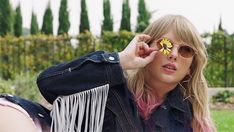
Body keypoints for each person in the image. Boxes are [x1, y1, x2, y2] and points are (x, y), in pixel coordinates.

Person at [37, 14, 216, 132]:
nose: (174, 55)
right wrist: (121, 60)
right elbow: (48, 84)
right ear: (145, 48)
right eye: (165, 46)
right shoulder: (110, 88)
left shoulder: (192, 120)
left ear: (191, 67)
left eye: (186, 50)